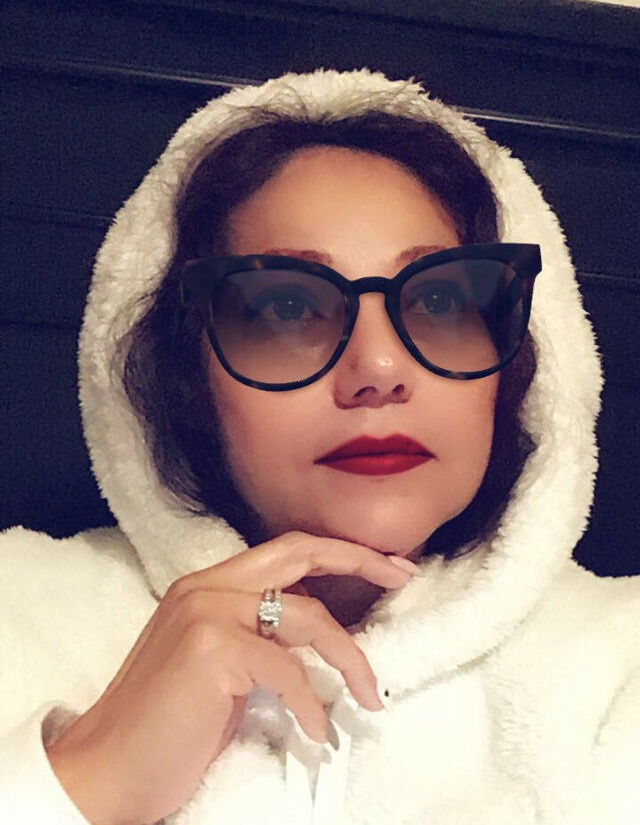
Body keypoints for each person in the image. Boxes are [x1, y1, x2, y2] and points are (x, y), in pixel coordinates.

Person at [0, 66, 638, 825]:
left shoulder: (620, 665)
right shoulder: (20, 610)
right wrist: (84, 780)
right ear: (187, 374)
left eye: (441, 300)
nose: (378, 369)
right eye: (286, 309)